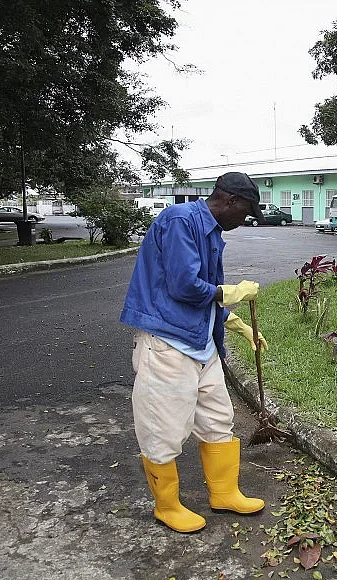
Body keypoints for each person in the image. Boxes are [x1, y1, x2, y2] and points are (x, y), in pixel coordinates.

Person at [120, 172, 270, 533]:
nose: (245, 220)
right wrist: (230, 292)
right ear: (231, 201)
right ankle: (167, 506)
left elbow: (204, 293)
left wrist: (236, 324)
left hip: (201, 343)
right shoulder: (179, 221)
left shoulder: (211, 232)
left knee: (218, 419)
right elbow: (185, 285)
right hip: (168, 343)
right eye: (246, 212)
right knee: (164, 427)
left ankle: (224, 493)